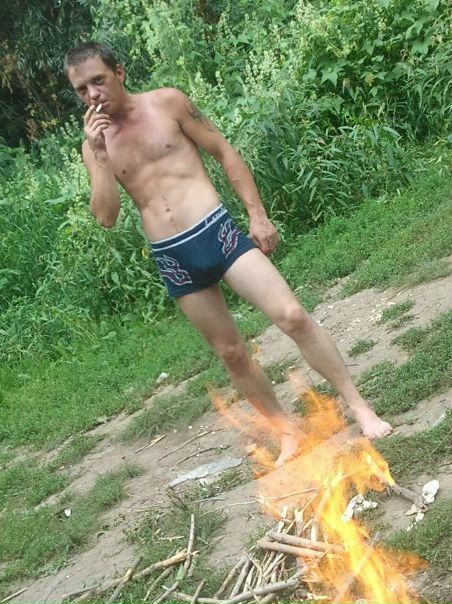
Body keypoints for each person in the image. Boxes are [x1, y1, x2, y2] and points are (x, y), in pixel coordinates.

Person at [65, 42, 392, 465]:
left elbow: (223, 151)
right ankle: (288, 432)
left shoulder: (168, 103)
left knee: (293, 315)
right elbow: (106, 216)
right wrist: (100, 156)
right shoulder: (93, 147)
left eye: (98, 80)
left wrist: (257, 215)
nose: (92, 94)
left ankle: (360, 407)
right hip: (173, 257)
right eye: (81, 89)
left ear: (119, 73)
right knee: (232, 353)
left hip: (216, 231)